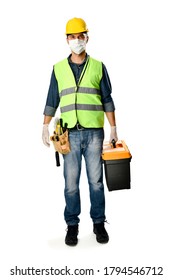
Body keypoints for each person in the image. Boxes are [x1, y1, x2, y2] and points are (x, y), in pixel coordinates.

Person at [42, 17, 118, 246]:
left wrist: (113, 127)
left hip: (94, 133)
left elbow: (107, 98)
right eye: (72, 36)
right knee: (71, 184)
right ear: (67, 39)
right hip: (69, 135)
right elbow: (52, 99)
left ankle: (98, 224)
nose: (76, 40)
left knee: (96, 182)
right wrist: (44, 125)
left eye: (80, 36)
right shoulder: (58, 69)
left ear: (87, 37)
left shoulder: (98, 66)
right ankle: (72, 226)